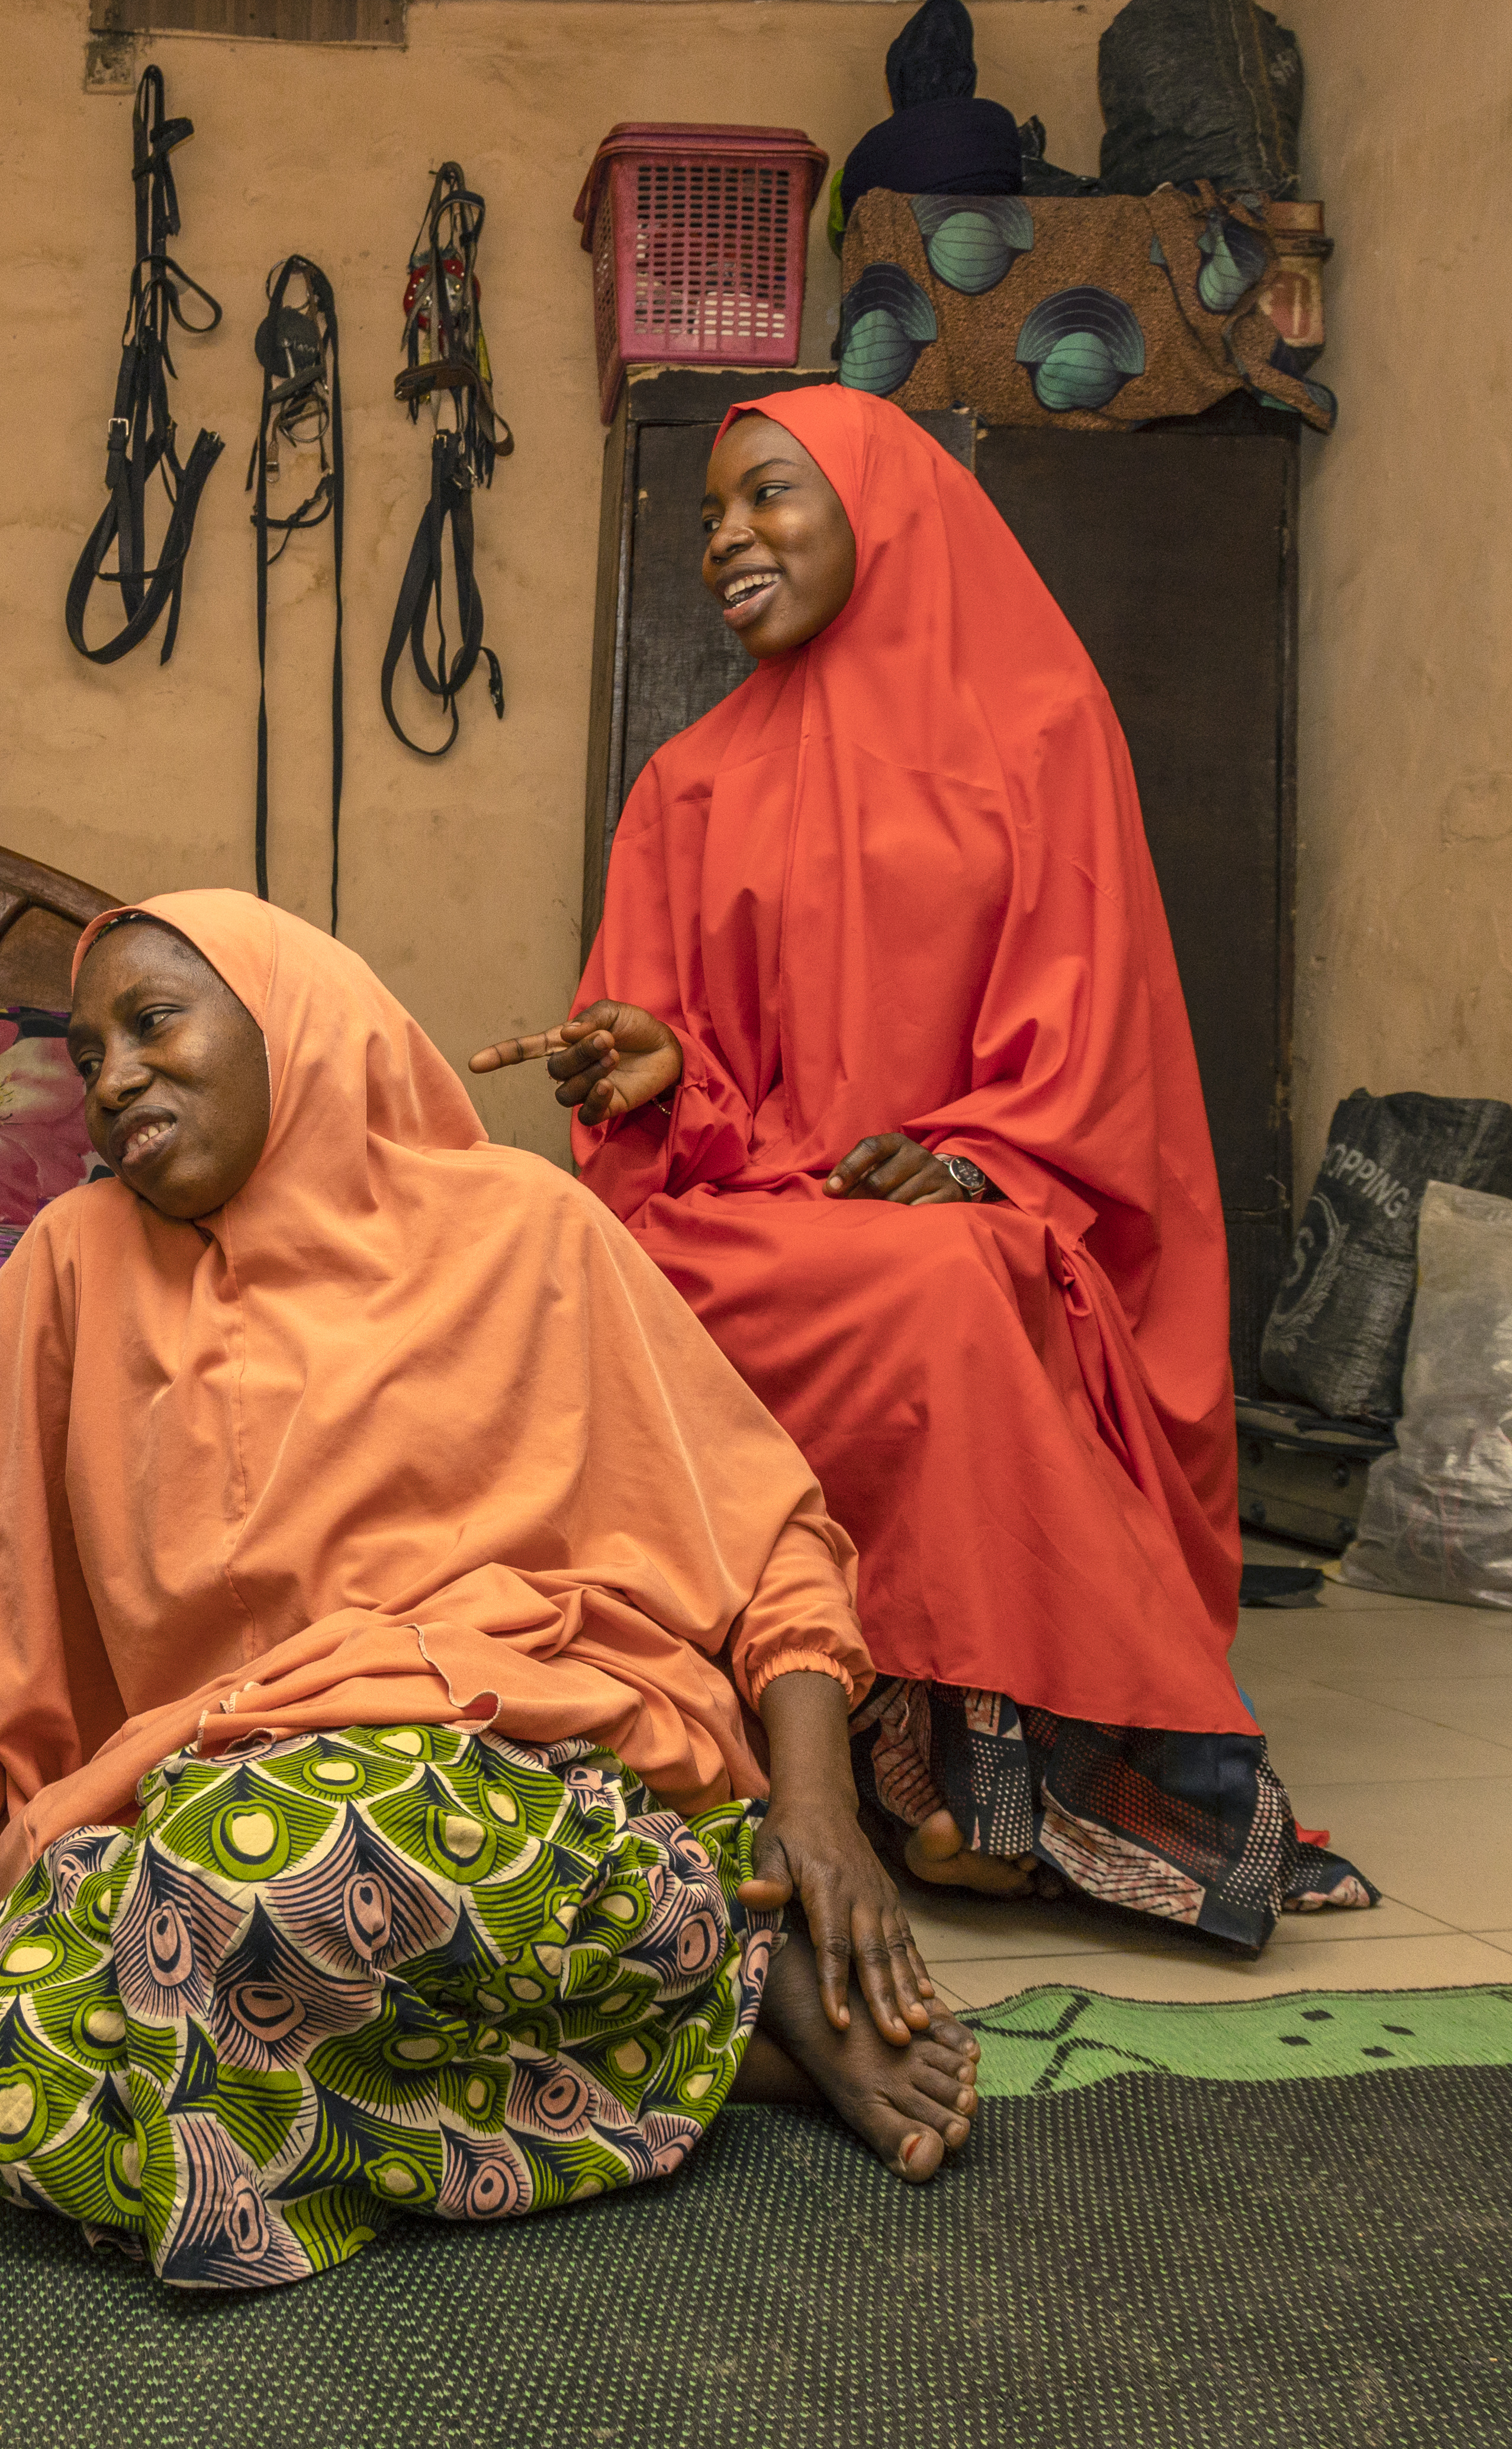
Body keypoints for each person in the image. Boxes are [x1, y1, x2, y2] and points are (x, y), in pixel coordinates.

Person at [0, 892, 979, 2291]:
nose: (114, 1081)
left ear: (295, 1023)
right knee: (18, 2082)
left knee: (286, 1850)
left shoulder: (526, 1228)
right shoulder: (67, 1270)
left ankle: (690, 1945)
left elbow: (772, 1537)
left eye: (153, 1023)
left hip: (524, 1785)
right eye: (88, 1057)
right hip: (210, 1811)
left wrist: (818, 1808)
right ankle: (728, 2039)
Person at [476, 384, 1370, 1953]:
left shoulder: (1038, 729)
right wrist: (664, 1073)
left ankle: (983, 1782)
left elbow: (1099, 1038)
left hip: (1000, 1209)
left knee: (951, 1282)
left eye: (766, 498)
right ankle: (880, 1762)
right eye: (709, 518)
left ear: (882, 508)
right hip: (756, 1217)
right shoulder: (685, 785)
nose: (727, 543)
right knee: (584, 1268)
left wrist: (972, 1164)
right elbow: (668, 1094)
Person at [831, 0, 1028, 245]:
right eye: (922, 70)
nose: (935, 78)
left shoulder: (868, 156)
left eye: (948, 69)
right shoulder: (997, 130)